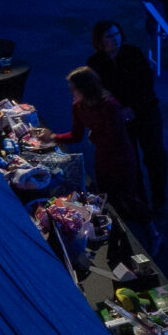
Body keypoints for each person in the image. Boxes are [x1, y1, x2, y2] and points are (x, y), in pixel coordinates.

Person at [47, 66, 151, 221]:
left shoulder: (110, 106)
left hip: (121, 157)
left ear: (86, 88)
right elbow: (76, 135)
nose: (70, 92)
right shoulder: (78, 106)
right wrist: (53, 137)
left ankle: (153, 232)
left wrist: (93, 137)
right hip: (102, 157)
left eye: (73, 88)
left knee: (128, 196)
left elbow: (113, 138)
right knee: (106, 196)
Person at [85, 20, 167, 213]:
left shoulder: (133, 53)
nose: (115, 39)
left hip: (145, 111)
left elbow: (146, 84)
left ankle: (159, 198)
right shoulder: (94, 64)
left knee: (155, 156)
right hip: (118, 117)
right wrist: (119, 111)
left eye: (117, 34)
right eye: (110, 36)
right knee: (130, 161)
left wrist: (132, 108)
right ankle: (140, 200)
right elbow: (97, 93)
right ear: (100, 41)